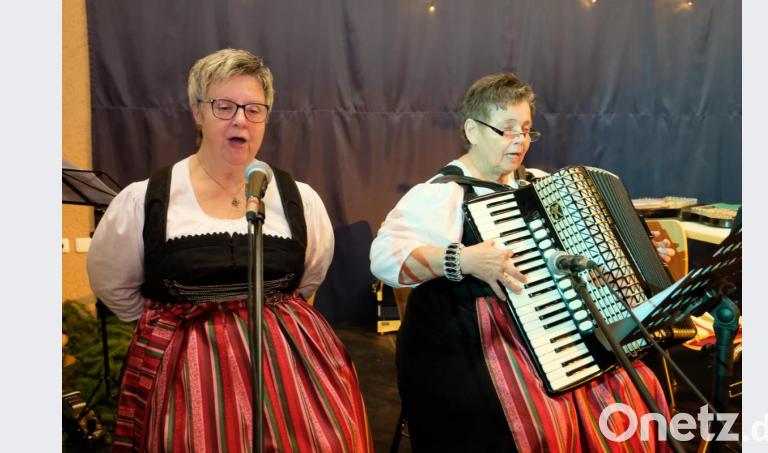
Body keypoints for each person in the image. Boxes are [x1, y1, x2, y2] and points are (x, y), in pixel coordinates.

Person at [370, 73, 673, 452]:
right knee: (542, 419)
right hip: (479, 346)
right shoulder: (443, 194)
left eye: (527, 130)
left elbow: (585, 255)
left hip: (555, 330)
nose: (519, 140)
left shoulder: (539, 185)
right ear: (472, 131)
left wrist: (637, 255)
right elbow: (384, 258)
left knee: (634, 388)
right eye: (507, 129)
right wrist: (463, 258)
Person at [88, 48, 372, 452]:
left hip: (290, 374)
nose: (241, 119)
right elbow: (114, 286)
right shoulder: (146, 199)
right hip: (187, 377)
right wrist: (176, 328)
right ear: (197, 112)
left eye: (254, 109)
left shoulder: (299, 199)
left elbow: (307, 279)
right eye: (224, 106)